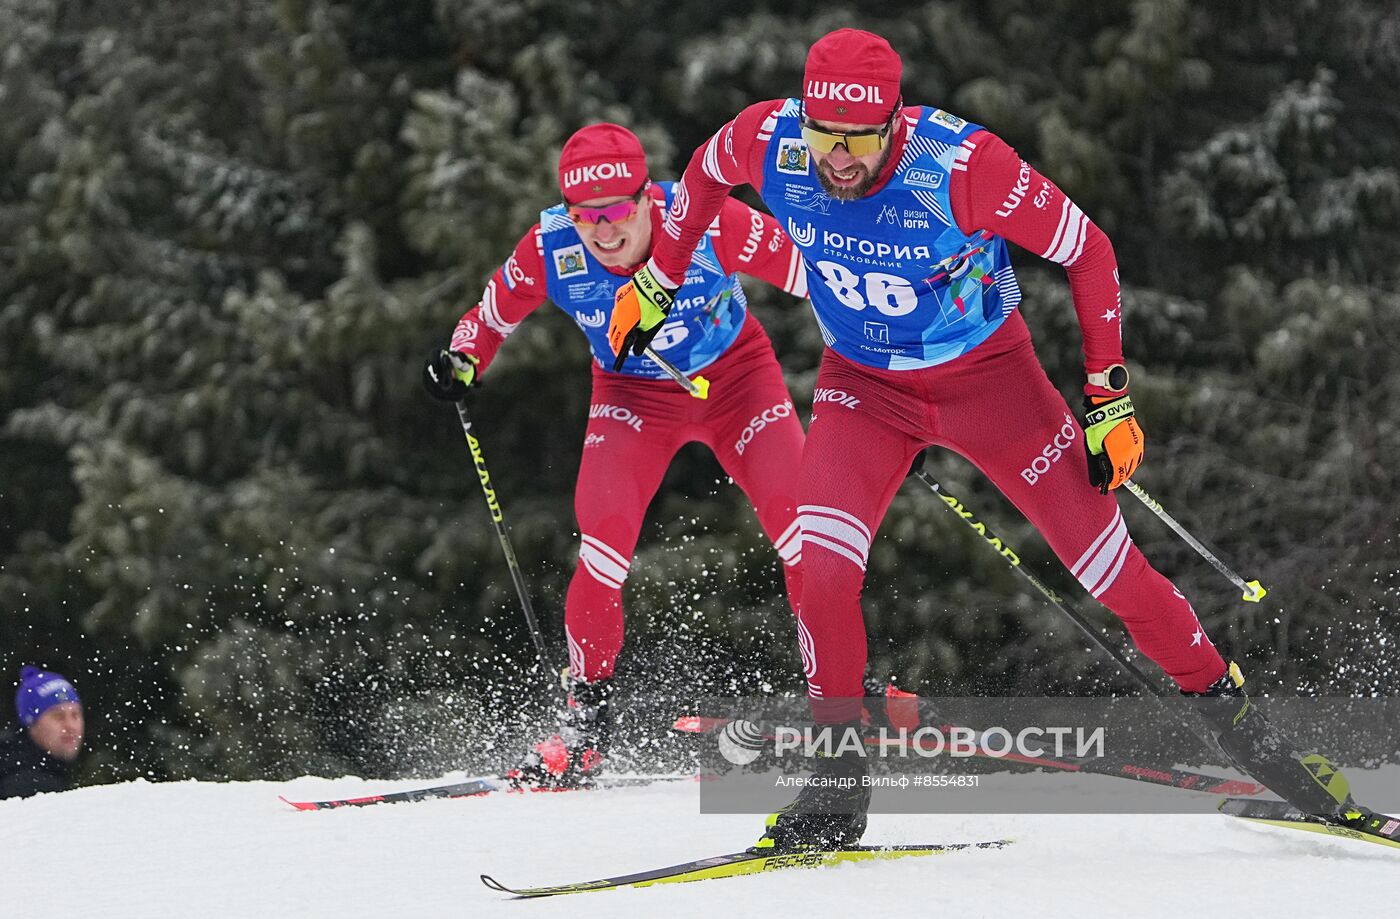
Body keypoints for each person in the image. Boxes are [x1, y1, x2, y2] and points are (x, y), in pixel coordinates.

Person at [609, 29, 1362, 849]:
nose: (839, 158)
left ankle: (1255, 739)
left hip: (992, 383)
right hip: (864, 387)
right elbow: (703, 179)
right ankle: (837, 786)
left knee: (1112, 574)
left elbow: (1090, 251)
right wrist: (655, 280)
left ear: (895, 121)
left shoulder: (961, 168)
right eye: (825, 135)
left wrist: (1108, 398)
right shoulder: (769, 140)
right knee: (818, 570)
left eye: (861, 139)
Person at [423, 123, 809, 787]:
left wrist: (881, 365)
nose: (603, 232)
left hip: (737, 380)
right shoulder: (552, 246)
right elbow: (487, 320)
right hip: (634, 396)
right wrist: (461, 360)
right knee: (601, 537)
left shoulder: (709, 220)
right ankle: (586, 725)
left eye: (617, 212)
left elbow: (817, 275)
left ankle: (840, 691)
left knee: (803, 528)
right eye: (585, 216)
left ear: (647, 197)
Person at [1, 665, 84, 800]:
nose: (70, 726)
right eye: (58, 716)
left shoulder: (45, 771)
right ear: (31, 723)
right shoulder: (29, 788)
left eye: (75, 715)